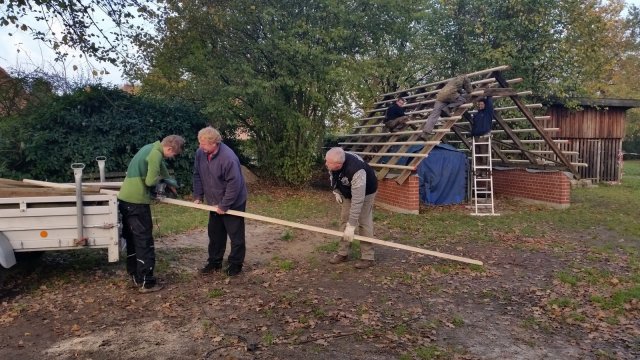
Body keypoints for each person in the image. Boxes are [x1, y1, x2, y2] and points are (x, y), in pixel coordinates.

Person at [118, 135, 185, 293]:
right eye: (174, 154)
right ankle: (147, 282)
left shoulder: (150, 148)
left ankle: (136, 275)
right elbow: (150, 181)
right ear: (169, 149)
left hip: (126, 200)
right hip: (137, 202)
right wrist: (161, 184)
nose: (173, 157)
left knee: (133, 240)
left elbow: (163, 171)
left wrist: (170, 182)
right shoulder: (155, 154)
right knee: (144, 241)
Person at [193, 126, 247, 277]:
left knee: (235, 234)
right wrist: (198, 195)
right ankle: (214, 262)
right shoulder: (200, 154)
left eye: (203, 144)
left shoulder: (228, 158)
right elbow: (197, 174)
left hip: (233, 202)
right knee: (215, 233)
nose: (200, 146)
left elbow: (234, 185)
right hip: (213, 201)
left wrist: (224, 205)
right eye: (200, 143)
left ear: (214, 143)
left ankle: (235, 264)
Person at [325, 147, 378, 269]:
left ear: (339, 165)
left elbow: (358, 201)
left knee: (364, 221)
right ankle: (342, 253)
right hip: (347, 190)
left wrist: (352, 225)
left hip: (366, 192)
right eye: (326, 161)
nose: (326, 164)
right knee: (345, 219)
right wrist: (336, 190)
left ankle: (368, 257)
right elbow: (333, 175)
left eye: (329, 163)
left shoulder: (357, 170)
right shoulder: (334, 158)